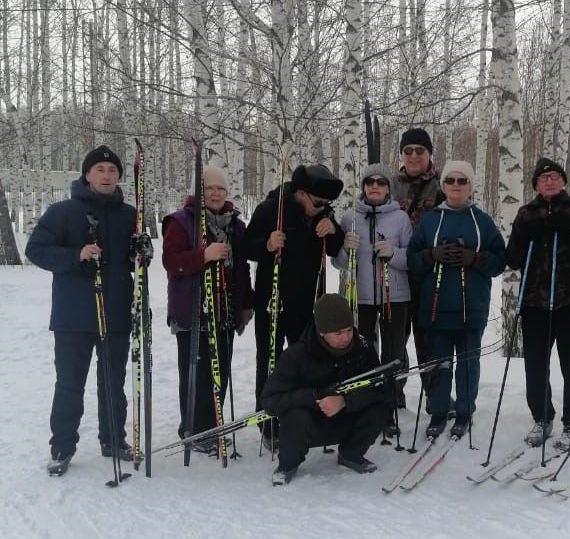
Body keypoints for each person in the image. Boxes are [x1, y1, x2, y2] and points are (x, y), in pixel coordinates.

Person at [26, 145, 148, 475]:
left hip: (116, 313)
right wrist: (75, 255)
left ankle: (113, 438)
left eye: (112, 171)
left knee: (113, 383)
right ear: (87, 175)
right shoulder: (64, 211)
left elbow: (134, 262)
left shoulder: (128, 215)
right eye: (100, 170)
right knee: (69, 384)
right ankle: (62, 447)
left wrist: (142, 253)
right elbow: (35, 249)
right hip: (73, 317)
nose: (107, 176)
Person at [243, 163, 344, 444]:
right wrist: (266, 245)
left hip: (310, 304)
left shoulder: (323, 214)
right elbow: (246, 247)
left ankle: (306, 417)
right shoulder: (270, 210)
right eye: (319, 202)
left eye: (327, 204)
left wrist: (332, 229)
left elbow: (335, 249)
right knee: (270, 363)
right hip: (273, 303)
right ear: (301, 193)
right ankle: (268, 422)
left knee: (310, 364)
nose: (323, 207)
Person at [407, 160, 506, 439]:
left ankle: (464, 412)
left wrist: (476, 259)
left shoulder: (482, 221)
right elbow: (412, 260)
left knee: (467, 363)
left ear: (470, 186)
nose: (456, 186)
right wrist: (431, 256)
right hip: (436, 308)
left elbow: (500, 261)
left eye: (462, 181)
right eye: (450, 180)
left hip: (470, 308)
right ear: (444, 186)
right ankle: (439, 412)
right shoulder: (431, 220)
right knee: (439, 363)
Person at [505, 157, 570, 449]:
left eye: (555, 176)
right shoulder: (525, 213)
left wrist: (568, 230)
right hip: (535, 303)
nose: (549, 181)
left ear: (564, 181)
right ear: (535, 184)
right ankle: (542, 417)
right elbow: (513, 258)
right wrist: (523, 235)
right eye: (543, 178)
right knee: (535, 365)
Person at [162, 165, 254, 450]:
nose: (215, 194)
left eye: (220, 189)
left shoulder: (235, 225)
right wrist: (204, 256)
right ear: (199, 192)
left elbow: (241, 268)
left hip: (224, 309)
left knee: (220, 372)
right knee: (196, 374)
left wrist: (246, 303)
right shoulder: (180, 222)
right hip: (193, 310)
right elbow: (171, 261)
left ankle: (212, 426)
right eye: (209, 189)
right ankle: (194, 430)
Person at [261, 294, 391, 485]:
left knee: (379, 410)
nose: (346, 337)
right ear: (322, 332)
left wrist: (345, 401)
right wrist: (313, 397)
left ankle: (351, 455)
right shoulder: (296, 355)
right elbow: (270, 401)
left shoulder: (362, 347)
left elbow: (382, 389)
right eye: (338, 333)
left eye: (348, 330)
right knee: (295, 416)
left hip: (347, 418)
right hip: (311, 424)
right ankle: (287, 466)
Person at [334, 162, 413, 436]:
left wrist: (393, 253)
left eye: (381, 182)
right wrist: (345, 250)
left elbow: (411, 258)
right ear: (364, 187)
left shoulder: (400, 218)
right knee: (364, 353)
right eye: (370, 182)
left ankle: (389, 407)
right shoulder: (349, 217)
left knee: (393, 352)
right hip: (361, 296)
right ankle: (365, 406)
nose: (375, 186)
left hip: (396, 295)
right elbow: (339, 263)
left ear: (388, 188)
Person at [391, 128, 444, 404]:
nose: (413, 156)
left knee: (428, 341)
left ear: (429, 154)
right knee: (395, 342)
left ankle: (435, 397)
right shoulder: (388, 185)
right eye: (408, 150)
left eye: (419, 151)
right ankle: (394, 396)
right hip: (396, 275)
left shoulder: (444, 185)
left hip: (429, 276)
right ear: (401, 154)